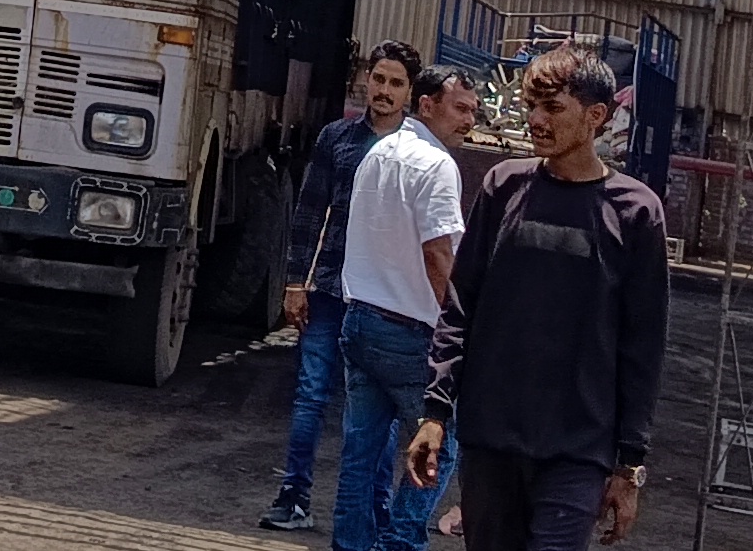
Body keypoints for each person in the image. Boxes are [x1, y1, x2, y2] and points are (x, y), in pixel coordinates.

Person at [407, 47, 669, 551]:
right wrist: (435, 413)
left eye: (553, 109)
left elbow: (643, 347)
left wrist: (629, 464)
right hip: (492, 440)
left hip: (578, 451)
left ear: (596, 116)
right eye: (532, 106)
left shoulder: (637, 213)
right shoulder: (503, 187)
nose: (535, 120)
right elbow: (461, 307)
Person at [262, 41, 425, 532]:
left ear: (411, 92)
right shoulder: (338, 139)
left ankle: (374, 508)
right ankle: (293, 494)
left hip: (382, 301)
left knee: (375, 413)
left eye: (396, 83)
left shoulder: (418, 153)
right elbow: (309, 213)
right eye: (379, 79)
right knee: (311, 393)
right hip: (332, 288)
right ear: (365, 80)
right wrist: (295, 283)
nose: (384, 90)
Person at [332, 65, 479, 551]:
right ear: (427, 104)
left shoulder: (379, 152)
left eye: (473, 112)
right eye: (460, 109)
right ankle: (399, 543)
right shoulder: (437, 167)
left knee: (360, 457)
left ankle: (351, 546)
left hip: (360, 321)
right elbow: (438, 253)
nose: (468, 121)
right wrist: (458, 328)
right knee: (439, 449)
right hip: (411, 332)